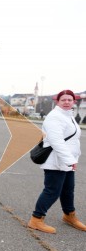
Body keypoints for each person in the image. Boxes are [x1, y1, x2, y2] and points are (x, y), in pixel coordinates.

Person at [28, 89, 84, 234]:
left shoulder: (68, 115)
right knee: (52, 191)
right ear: (57, 101)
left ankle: (69, 216)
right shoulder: (55, 117)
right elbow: (56, 141)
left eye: (69, 100)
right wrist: (69, 160)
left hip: (67, 161)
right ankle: (36, 219)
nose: (66, 102)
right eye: (63, 100)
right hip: (56, 161)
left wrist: (72, 159)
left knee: (68, 190)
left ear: (74, 102)